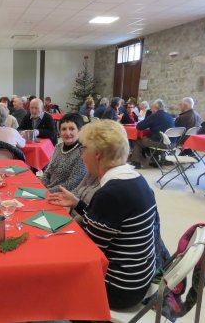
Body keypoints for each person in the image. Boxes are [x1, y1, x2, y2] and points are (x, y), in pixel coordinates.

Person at [48, 120, 164, 310]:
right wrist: (78, 204)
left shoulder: (110, 193)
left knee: (50, 271)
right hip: (139, 277)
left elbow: (87, 252)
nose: (82, 155)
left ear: (97, 154)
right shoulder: (134, 179)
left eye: (83, 149)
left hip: (119, 289)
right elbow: (108, 224)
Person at [41, 113, 86, 192]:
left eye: (72, 129)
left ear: (79, 131)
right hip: (47, 191)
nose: (67, 133)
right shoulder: (58, 147)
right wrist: (41, 187)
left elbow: (71, 184)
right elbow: (47, 172)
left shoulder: (83, 153)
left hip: (65, 196)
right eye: (64, 129)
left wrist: (46, 192)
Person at [130, 99, 175, 169]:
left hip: (161, 144)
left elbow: (139, 126)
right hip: (172, 144)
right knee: (153, 138)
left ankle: (136, 162)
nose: (151, 110)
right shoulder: (169, 116)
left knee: (138, 141)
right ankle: (154, 161)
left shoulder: (155, 116)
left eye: (152, 108)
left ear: (155, 108)